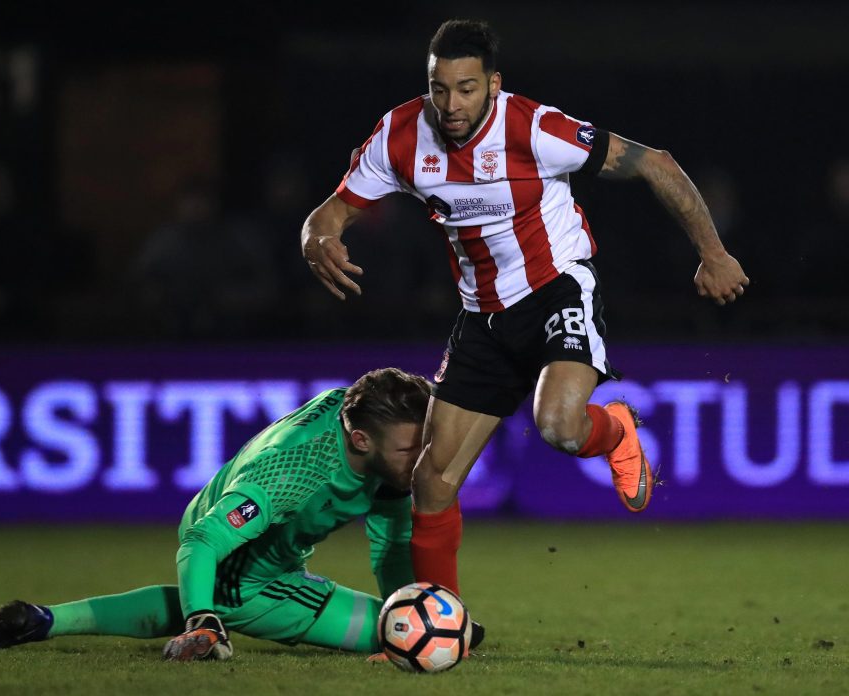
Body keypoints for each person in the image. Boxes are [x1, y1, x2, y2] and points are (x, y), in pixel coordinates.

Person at [301, 19, 750, 595]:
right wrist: (317, 238)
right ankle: (444, 624)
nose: (451, 104)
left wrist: (713, 254)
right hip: (481, 319)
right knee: (432, 481)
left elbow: (656, 163)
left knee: (559, 427)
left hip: (556, 289)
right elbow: (332, 211)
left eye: (466, 88)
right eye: (439, 88)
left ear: (493, 83)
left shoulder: (534, 128)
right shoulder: (401, 134)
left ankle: (613, 430)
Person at [0, 368, 481, 660]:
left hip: (258, 542)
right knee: (390, 634)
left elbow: (388, 542)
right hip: (238, 556)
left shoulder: (378, 432)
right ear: (359, 440)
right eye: (413, 450)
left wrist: (411, 603)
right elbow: (203, 541)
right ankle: (203, 612)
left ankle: (42, 619)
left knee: (403, 623)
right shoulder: (296, 472)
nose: (424, 460)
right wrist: (203, 620)